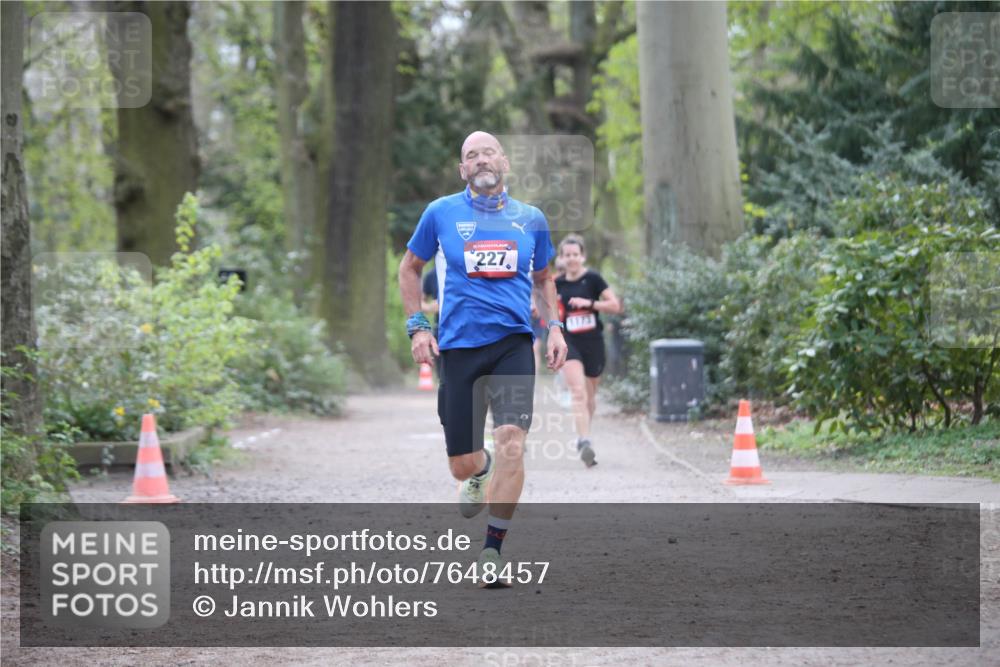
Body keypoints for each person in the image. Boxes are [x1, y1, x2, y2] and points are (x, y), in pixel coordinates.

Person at [398, 131, 568, 586]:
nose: (480, 160)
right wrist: (418, 326)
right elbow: (409, 267)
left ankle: (492, 550)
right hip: (458, 347)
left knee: (512, 438)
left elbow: (544, 278)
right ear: (462, 170)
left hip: (513, 344)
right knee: (463, 464)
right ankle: (482, 469)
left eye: (487, 152)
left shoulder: (530, 219)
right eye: (470, 156)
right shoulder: (440, 213)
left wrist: (554, 327)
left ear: (504, 162)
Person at [555, 234, 622, 467]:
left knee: (590, 398)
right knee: (578, 392)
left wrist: (590, 304)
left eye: (575, 254)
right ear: (561, 258)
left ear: (582, 256)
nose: (572, 259)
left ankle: (584, 434)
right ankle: (584, 441)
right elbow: (545, 308)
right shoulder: (557, 284)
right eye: (567, 255)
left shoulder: (593, 278)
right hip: (569, 342)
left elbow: (615, 305)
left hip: (593, 342)